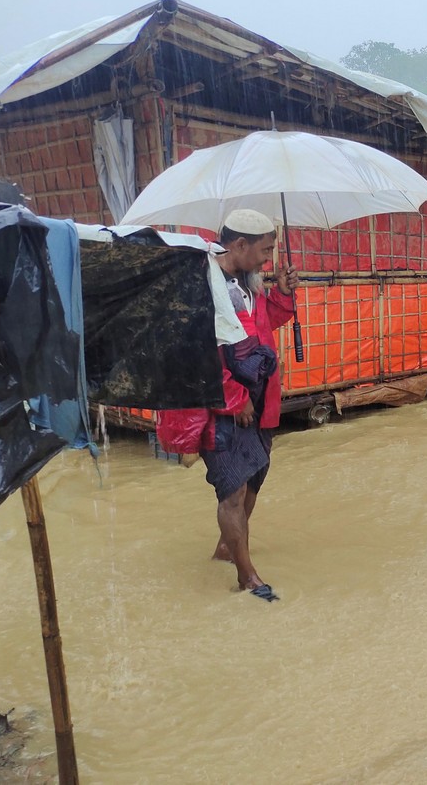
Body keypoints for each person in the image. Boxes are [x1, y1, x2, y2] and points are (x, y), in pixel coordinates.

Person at [164, 209, 298, 601]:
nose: (268, 259)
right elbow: (201, 353)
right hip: (223, 407)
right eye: (265, 250)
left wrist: (283, 295)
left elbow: (260, 327)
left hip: (259, 402)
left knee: (254, 480)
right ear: (240, 245)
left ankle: (227, 549)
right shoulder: (204, 286)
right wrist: (236, 398)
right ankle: (246, 577)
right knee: (233, 492)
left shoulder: (247, 282)